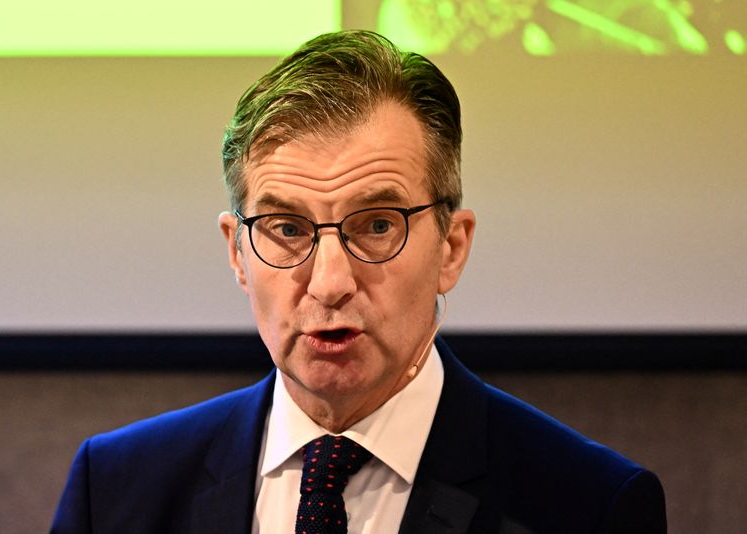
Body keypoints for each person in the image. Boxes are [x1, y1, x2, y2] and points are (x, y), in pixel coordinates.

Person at [50, 30, 666, 534]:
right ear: (237, 253)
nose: (330, 282)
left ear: (452, 248)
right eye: (286, 227)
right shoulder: (115, 490)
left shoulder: (592, 507)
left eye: (375, 224)